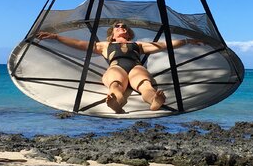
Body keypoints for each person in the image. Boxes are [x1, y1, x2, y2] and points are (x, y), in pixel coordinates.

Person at [36, 21, 202, 113]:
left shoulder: (138, 44)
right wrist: (57, 37)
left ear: (128, 33)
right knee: (115, 84)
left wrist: (187, 41)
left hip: (136, 67)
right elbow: (79, 44)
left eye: (124, 26)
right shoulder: (104, 45)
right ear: (112, 33)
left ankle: (154, 101)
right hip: (117, 68)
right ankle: (116, 103)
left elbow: (164, 45)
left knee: (145, 84)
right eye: (117, 26)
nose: (121, 27)